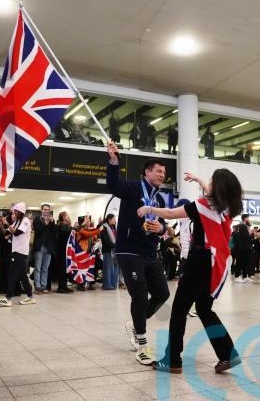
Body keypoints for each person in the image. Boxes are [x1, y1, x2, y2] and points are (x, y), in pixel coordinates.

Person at [136, 169, 243, 374]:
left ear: (217, 186)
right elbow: (209, 190)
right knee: (204, 309)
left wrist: (149, 208)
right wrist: (198, 179)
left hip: (199, 260)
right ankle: (228, 354)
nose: (208, 184)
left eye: (211, 181)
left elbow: (170, 213)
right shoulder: (226, 208)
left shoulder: (203, 206)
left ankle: (173, 360)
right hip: (215, 262)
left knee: (179, 310)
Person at [106, 140, 170, 365]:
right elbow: (114, 185)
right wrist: (114, 161)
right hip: (129, 251)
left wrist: (160, 228)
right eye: (159, 171)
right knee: (140, 296)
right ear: (147, 173)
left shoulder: (158, 199)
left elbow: (163, 225)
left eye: (164, 172)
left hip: (150, 252)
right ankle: (142, 345)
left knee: (162, 294)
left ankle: (135, 324)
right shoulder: (133, 188)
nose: (162, 175)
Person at [0, 203, 36, 306]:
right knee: (22, 276)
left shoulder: (25, 221)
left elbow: (17, 233)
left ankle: (8, 299)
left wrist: (7, 223)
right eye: (14, 211)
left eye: (16, 211)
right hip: (16, 251)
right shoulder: (17, 222)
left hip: (20, 252)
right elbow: (6, 233)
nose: (14, 213)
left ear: (21, 212)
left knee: (12, 274)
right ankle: (30, 297)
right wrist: (1, 224)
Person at [32, 203, 56, 294]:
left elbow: (54, 233)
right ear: (41, 210)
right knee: (38, 267)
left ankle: (43, 286)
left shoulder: (51, 220)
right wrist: (45, 223)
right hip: (39, 247)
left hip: (48, 248)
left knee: (45, 268)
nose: (46, 211)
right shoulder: (37, 219)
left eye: (48, 210)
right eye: (45, 209)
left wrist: (52, 223)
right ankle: (37, 287)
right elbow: (38, 231)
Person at [75, 215, 102, 291]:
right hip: (82, 251)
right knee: (82, 268)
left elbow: (93, 236)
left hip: (91, 252)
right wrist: (99, 229)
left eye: (89, 221)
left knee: (95, 266)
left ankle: (91, 283)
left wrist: (96, 240)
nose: (89, 222)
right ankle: (80, 285)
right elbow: (88, 235)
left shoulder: (89, 230)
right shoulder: (80, 230)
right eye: (87, 221)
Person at [53, 211, 74, 293]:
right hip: (61, 251)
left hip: (66, 251)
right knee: (62, 269)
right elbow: (73, 230)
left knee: (65, 269)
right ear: (64, 217)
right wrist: (83, 223)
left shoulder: (66, 226)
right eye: (67, 215)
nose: (68, 216)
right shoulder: (62, 226)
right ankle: (61, 288)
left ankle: (64, 286)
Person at [100, 214, 118, 290]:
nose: (115, 220)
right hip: (107, 250)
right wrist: (116, 245)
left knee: (114, 268)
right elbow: (106, 240)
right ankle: (107, 285)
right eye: (113, 219)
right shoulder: (103, 227)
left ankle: (113, 284)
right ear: (109, 220)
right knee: (108, 268)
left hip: (114, 250)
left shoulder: (113, 227)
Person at [234, 214, 252, 283]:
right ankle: (237, 276)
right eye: (248, 218)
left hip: (246, 247)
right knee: (240, 262)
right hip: (242, 247)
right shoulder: (242, 226)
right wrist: (250, 233)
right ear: (245, 218)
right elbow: (245, 237)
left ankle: (245, 276)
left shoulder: (246, 226)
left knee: (246, 262)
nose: (249, 219)